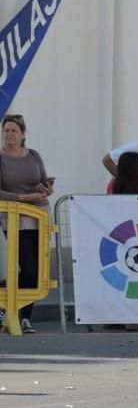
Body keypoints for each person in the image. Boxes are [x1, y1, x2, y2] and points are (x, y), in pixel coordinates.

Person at [0, 114, 54, 333]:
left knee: (37, 271)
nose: (9, 134)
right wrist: (25, 198)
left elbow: (43, 180)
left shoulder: (33, 155)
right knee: (24, 267)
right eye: (6, 130)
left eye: (14, 130)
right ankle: (7, 307)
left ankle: (23, 316)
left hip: (38, 215)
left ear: (23, 134)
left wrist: (46, 188)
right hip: (13, 217)